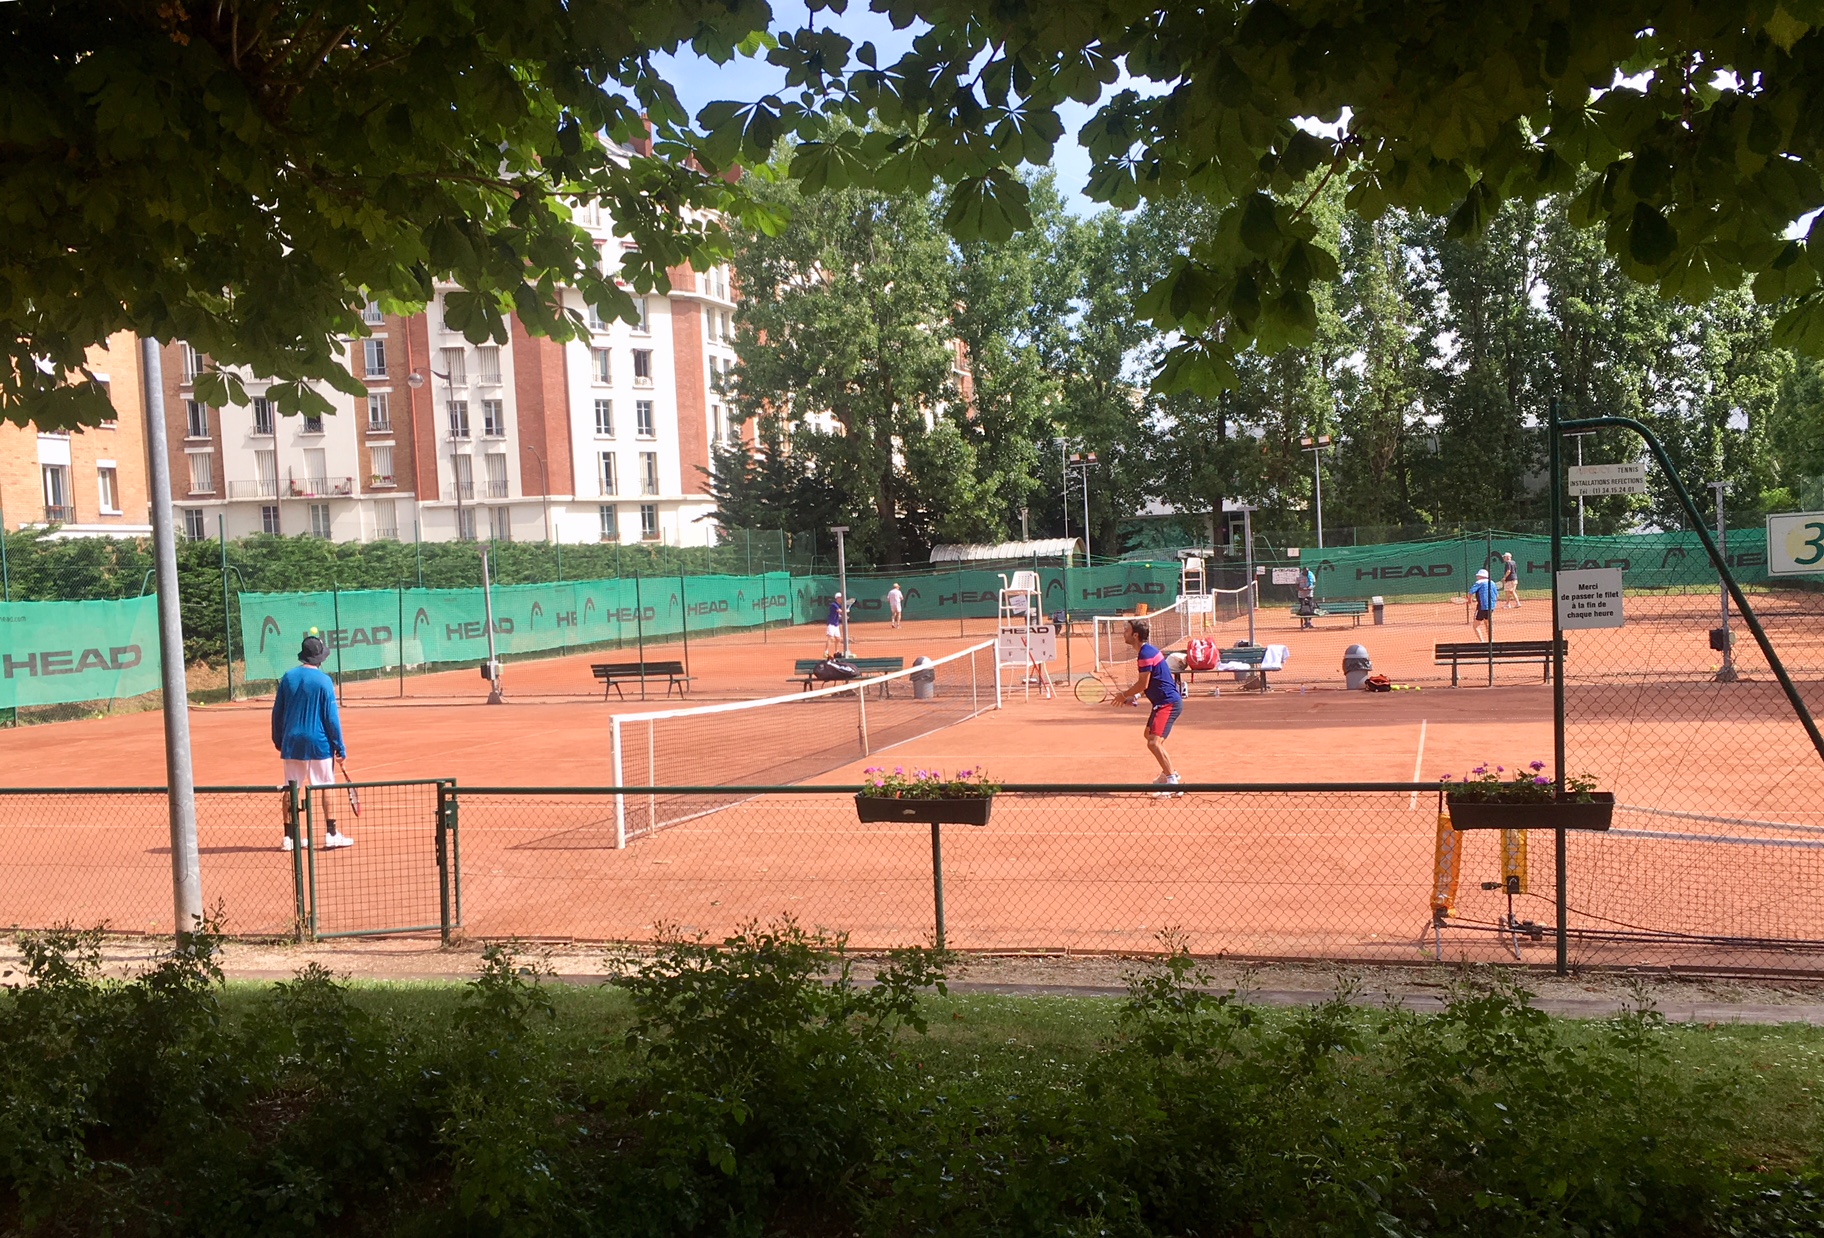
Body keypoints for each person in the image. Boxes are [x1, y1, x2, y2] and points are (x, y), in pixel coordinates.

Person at [271, 631, 353, 850]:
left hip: (292, 742)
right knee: (326, 785)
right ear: (320, 658)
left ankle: (289, 838)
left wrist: (279, 739)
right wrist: (339, 745)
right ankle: (331, 834)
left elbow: (277, 713)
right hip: (319, 743)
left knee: (292, 788)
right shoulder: (324, 681)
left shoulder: (288, 677)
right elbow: (331, 718)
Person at [1116, 619, 1183, 796]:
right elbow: (1153, 682)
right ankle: (1169, 773)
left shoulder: (1146, 654)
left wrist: (1123, 695)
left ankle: (1172, 782)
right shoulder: (1147, 651)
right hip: (1162, 702)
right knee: (1149, 736)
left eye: (1127, 630)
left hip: (1167, 703)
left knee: (1153, 742)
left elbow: (1142, 683)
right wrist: (1135, 696)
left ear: (1135, 635)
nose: (1124, 633)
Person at [1469, 568, 1499, 641]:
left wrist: (1469, 600)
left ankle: (1482, 641)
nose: (1477, 577)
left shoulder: (1479, 582)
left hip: (1481, 607)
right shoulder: (1492, 583)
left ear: (1481, 576)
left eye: (1478, 575)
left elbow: (1470, 592)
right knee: (1488, 624)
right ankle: (1491, 640)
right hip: (1491, 606)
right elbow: (1497, 595)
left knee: (1475, 626)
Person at [824, 592, 851, 657]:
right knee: (830, 637)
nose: (842, 599)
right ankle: (826, 651)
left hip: (836, 624)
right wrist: (846, 611)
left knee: (838, 639)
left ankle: (837, 651)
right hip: (831, 624)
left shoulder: (838, 605)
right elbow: (840, 611)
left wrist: (844, 617)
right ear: (837, 598)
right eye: (841, 598)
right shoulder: (834, 604)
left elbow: (838, 615)